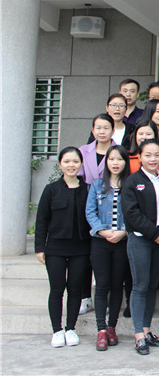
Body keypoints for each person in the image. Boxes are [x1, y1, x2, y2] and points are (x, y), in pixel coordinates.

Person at [35, 147, 91, 348]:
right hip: (55, 249)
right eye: (67, 161)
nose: (71, 165)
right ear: (60, 164)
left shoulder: (88, 189)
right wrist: (40, 248)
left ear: (81, 164)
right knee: (57, 289)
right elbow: (42, 220)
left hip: (81, 249)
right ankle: (57, 330)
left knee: (75, 289)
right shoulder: (51, 190)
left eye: (75, 161)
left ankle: (70, 328)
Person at [120, 139, 159, 355]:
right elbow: (131, 214)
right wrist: (154, 233)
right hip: (141, 239)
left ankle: (147, 329)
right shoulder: (132, 182)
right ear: (139, 157)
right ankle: (138, 334)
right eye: (148, 155)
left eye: (157, 155)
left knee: (151, 286)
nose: (153, 159)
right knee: (140, 285)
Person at [85, 145, 130, 351]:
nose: (115, 163)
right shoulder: (96, 185)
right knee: (102, 285)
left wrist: (123, 231)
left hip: (122, 242)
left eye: (119, 159)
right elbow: (90, 212)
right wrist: (102, 231)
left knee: (117, 285)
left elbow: (135, 211)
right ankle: (101, 330)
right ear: (106, 162)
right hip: (100, 242)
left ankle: (112, 327)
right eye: (111, 159)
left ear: (125, 162)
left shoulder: (130, 184)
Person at [80, 114, 117, 184]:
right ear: (93, 131)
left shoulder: (120, 152)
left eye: (106, 128)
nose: (102, 132)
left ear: (113, 131)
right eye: (98, 128)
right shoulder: (83, 151)